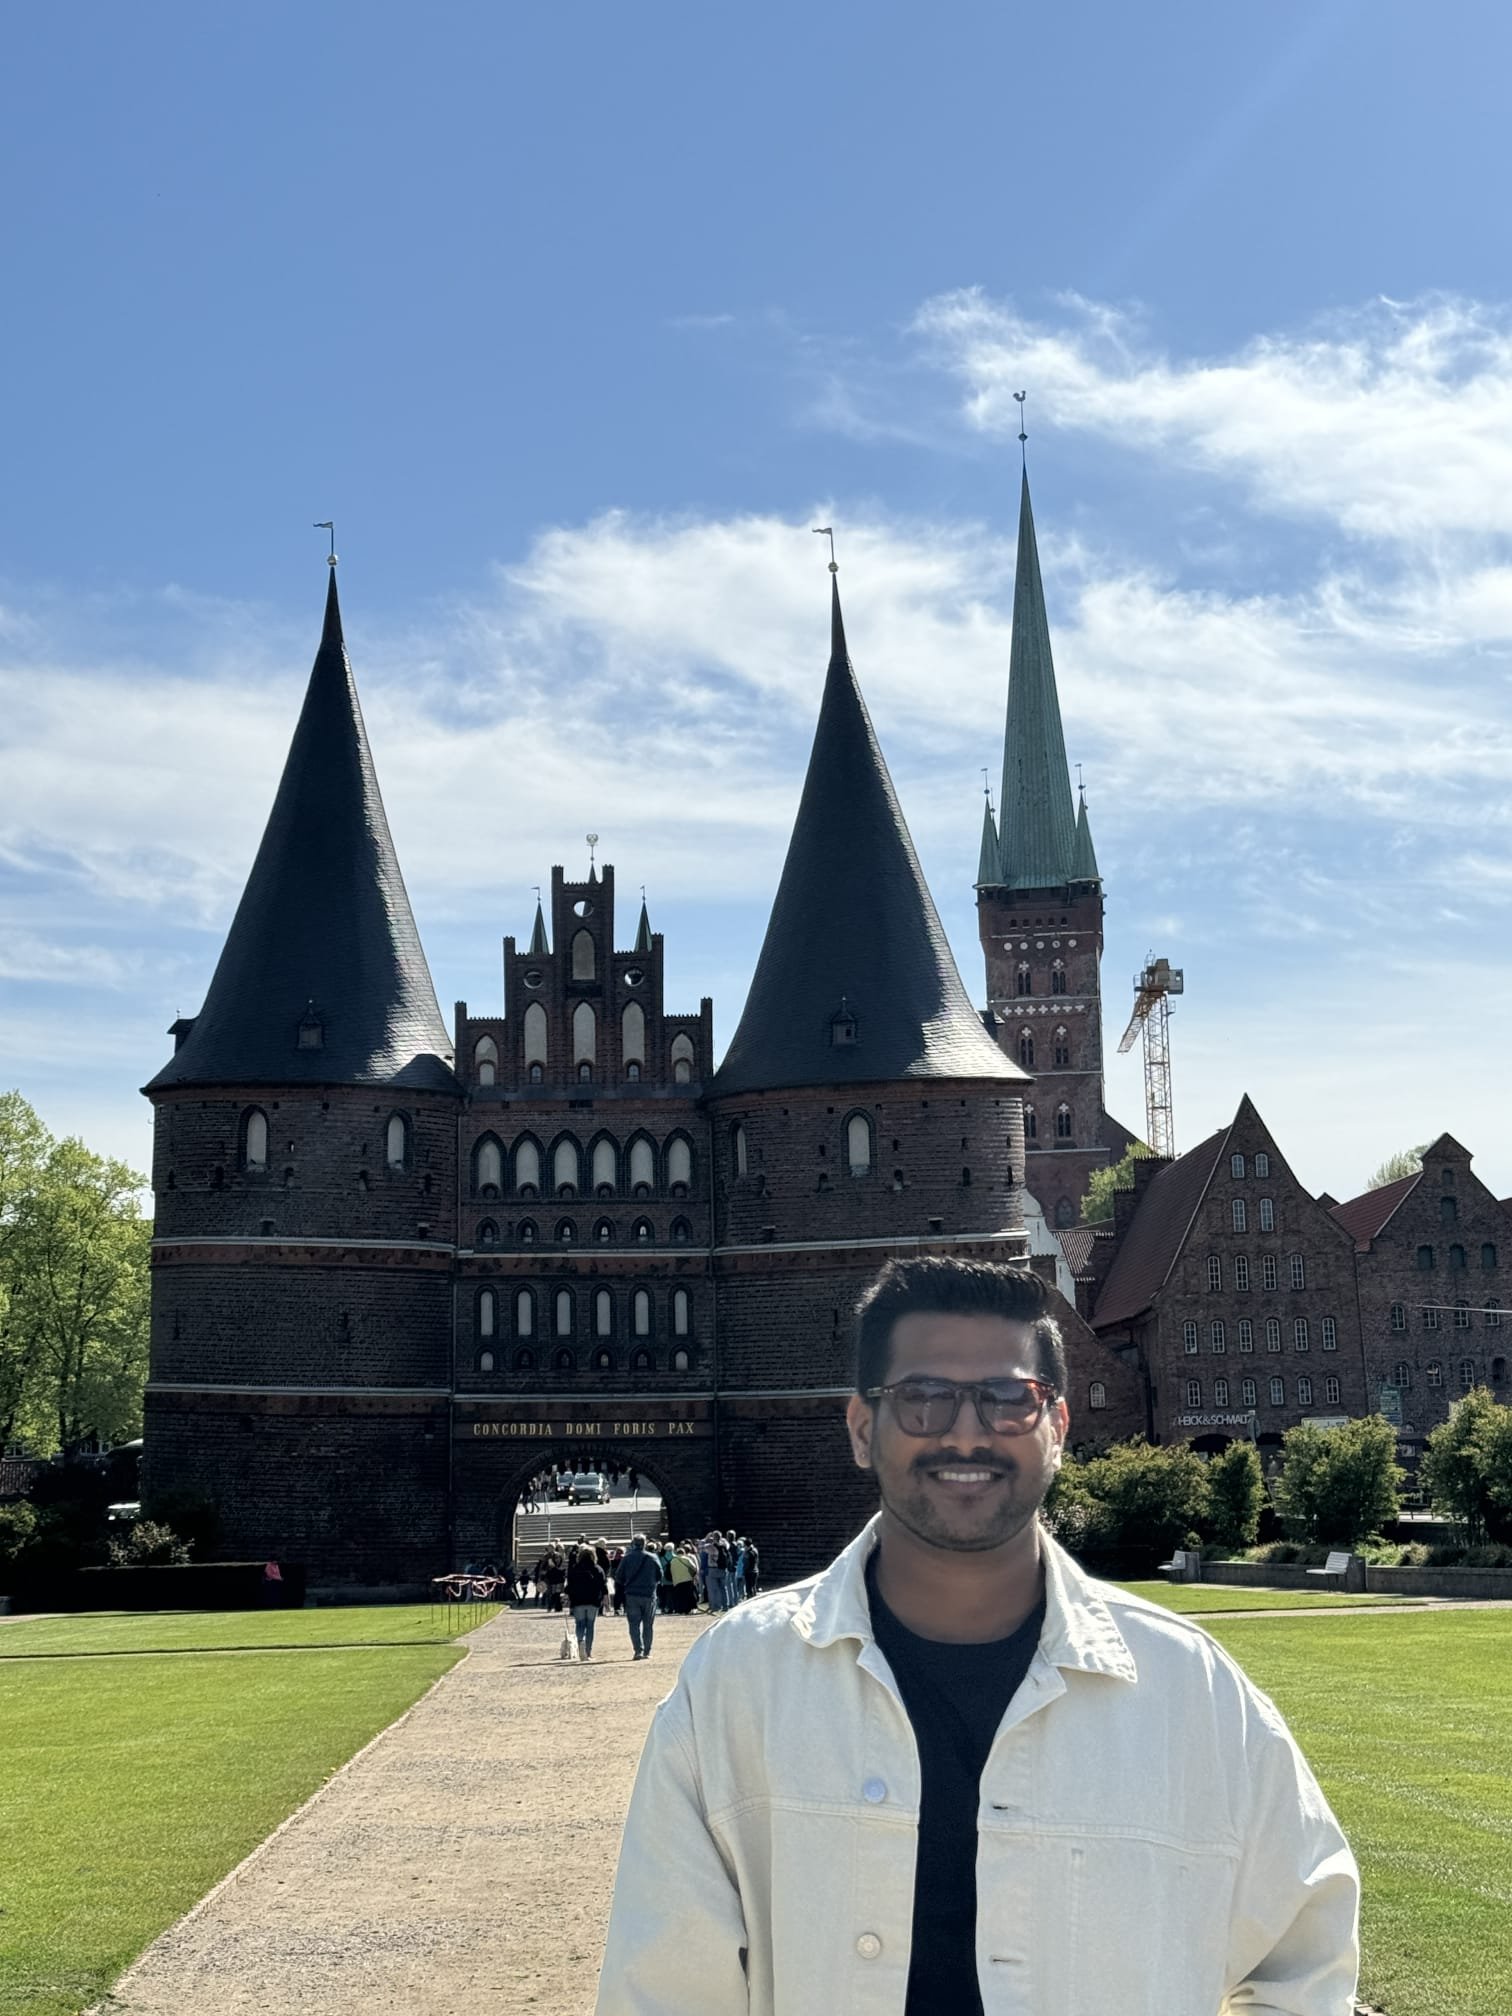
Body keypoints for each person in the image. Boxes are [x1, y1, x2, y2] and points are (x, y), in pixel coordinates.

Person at [596, 1256, 1359, 2015]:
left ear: (1058, 1427)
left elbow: (1308, 1961)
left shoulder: (1190, 1692)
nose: (966, 1434)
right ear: (862, 1428)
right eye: (923, 1398)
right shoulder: (739, 1684)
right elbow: (660, 1992)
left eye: (1009, 1399)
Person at [617, 1532, 662, 1660]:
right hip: (649, 1594)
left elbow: (619, 1576)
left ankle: (638, 1650)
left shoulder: (627, 1558)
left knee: (634, 1624)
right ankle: (647, 1651)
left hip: (632, 1594)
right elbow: (660, 1575)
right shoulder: (653, 1557)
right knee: (648, 1624)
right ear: (644, 1543)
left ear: (633, 1543)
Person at [567, 1540, 607, 1660]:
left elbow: (569, 1585)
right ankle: (588, 1652)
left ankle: (581, 1642)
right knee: (590, 1626)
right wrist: (606, 1600)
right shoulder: (598, 1569)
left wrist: (568, 1597)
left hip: (578, 1600)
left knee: (580, 1624)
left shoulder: (574, 1568)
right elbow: (603, 1586)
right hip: (593, 1601)